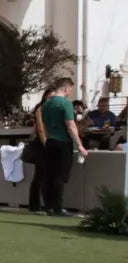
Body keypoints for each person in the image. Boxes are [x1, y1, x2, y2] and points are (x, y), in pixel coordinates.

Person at [40, 77, 88, 216]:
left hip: (50, 141)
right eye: (71, 88)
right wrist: (80, 145)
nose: (70, 91)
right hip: (63, 142)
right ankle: (58, 207)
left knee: (49, 174)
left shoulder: (46, 104)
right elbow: (71, 125)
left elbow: (45, 124)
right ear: (66, 87)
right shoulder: (66, 103)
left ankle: (48, 206)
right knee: (60, 175)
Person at [26, 84, 56, 214]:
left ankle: (44, 203)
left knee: (45, 175)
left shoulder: (53, 110)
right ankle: (35, 204)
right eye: (50, 97)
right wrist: (46, 145)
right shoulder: (41, 109)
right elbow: (40, 130)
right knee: (40, 175)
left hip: (49, 142)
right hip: (41, 145)